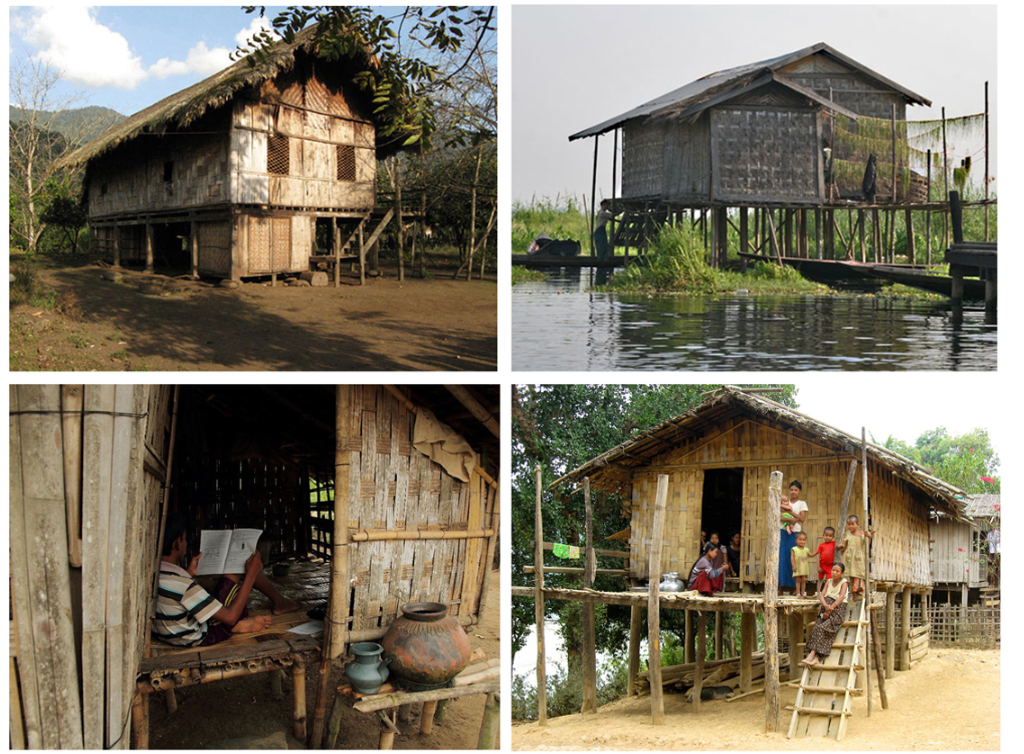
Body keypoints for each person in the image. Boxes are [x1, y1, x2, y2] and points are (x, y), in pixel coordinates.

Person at [153, 514, 299, 646]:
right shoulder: (184, 586)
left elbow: (174, 593)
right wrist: (251, 575)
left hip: (170, 632)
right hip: (199, 636)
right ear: (178, 543)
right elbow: (230, 617)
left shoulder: (155, 573)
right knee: (239, 569)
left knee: (233, 576)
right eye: (184, 539)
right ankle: (237, 626)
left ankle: (272, 606)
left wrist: (188, 573)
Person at [802, 563, 849, 667]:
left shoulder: (844, 583)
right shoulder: (828, 581)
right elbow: (822, 595)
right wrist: (825, 605)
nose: (834, 573)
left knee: (823, 627)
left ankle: (813, 655)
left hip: (837, 611)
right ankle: (816, 658)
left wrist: (830, 608)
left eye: (837, 571)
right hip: (825, 608)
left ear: (842, 573)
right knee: (816, 627)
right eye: (833, 570)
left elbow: (841, 597)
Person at [778, 481, 809, 593]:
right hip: (783, 532)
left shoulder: (802, 503)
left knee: (795, 559)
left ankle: (795, 588)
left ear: (800, 491)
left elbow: (802, 519)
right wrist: (789, 519)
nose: (793, 492)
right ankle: (780, 586)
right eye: (791, 490)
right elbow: (778, 517)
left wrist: (791, 512)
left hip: (795, 533)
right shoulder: (784, 502)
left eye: (796, 490)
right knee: (782, 558)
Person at [836, 514, 873, 596]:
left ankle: (857, 591)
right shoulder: (848, 534)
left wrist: (869, 537)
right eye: (849, 524)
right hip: (849, 557)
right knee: (851, 574)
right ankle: (853, 593)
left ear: (857, 524)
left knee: (858, 573)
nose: (850, 526)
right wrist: (842, 550)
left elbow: (867, 545)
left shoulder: (862, 533)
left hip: (858, 558)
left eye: (852, 524)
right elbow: (846, 544)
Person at [809, 526, 837, 593]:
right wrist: (818, 567)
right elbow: (818, 556)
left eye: (830, 536)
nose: (828, 537)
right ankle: (818, 592)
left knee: (828, 579)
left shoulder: (834, 543)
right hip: (822, 565)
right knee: (820, 579)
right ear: (823, 535)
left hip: (830, 565)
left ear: (833, 537)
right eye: (826, 535)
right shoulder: (821, 545)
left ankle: (826, 592)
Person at [791, 532, 812, 598]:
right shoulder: (794, 549)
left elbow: (810, 555)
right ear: (796, 540)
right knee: (798, 580)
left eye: (803, 540)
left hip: (804, 568)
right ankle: (798, 593)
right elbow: (792, 558)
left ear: (805, 541)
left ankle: (803, 593)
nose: (802, 541)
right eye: (800, 540)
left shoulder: (806, 549)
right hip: (797, 567)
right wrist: (793, 566)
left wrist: (817, 552)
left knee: (803, 580)